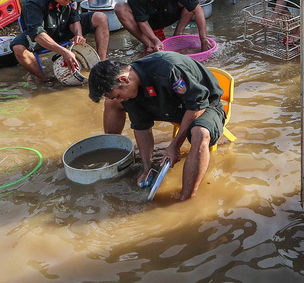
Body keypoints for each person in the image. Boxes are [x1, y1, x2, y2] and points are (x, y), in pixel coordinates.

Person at [88, 54, 225, 201]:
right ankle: (112, 155)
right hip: (171, 105)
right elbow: (141, 127)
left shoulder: (168, 69)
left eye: (118, 95)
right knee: (111, 103)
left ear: (124, 79)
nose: (121, 100)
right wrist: (147, 168)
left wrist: (175, 145)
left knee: (200, 133)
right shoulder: (130, 90)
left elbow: (198, 103)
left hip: (206, 103)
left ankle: (185, 199)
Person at [12, 0, 110, 81]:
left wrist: (78, 34)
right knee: (18, 48)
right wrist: (63, 51)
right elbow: (37, 34)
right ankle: (45, 80)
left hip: (63, 27)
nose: (69, 1)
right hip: (43, 35)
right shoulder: (34, 1)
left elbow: (74, 18)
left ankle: (101, 65)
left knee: (100, 17)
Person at [114, 0, 211, 55]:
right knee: (120, 8)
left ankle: (178, 34)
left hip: (169, 14)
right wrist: (154, 40)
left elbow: (197, 9)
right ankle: (149, 44)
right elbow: (142, 22)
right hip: (147, 21)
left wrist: (203, 38)